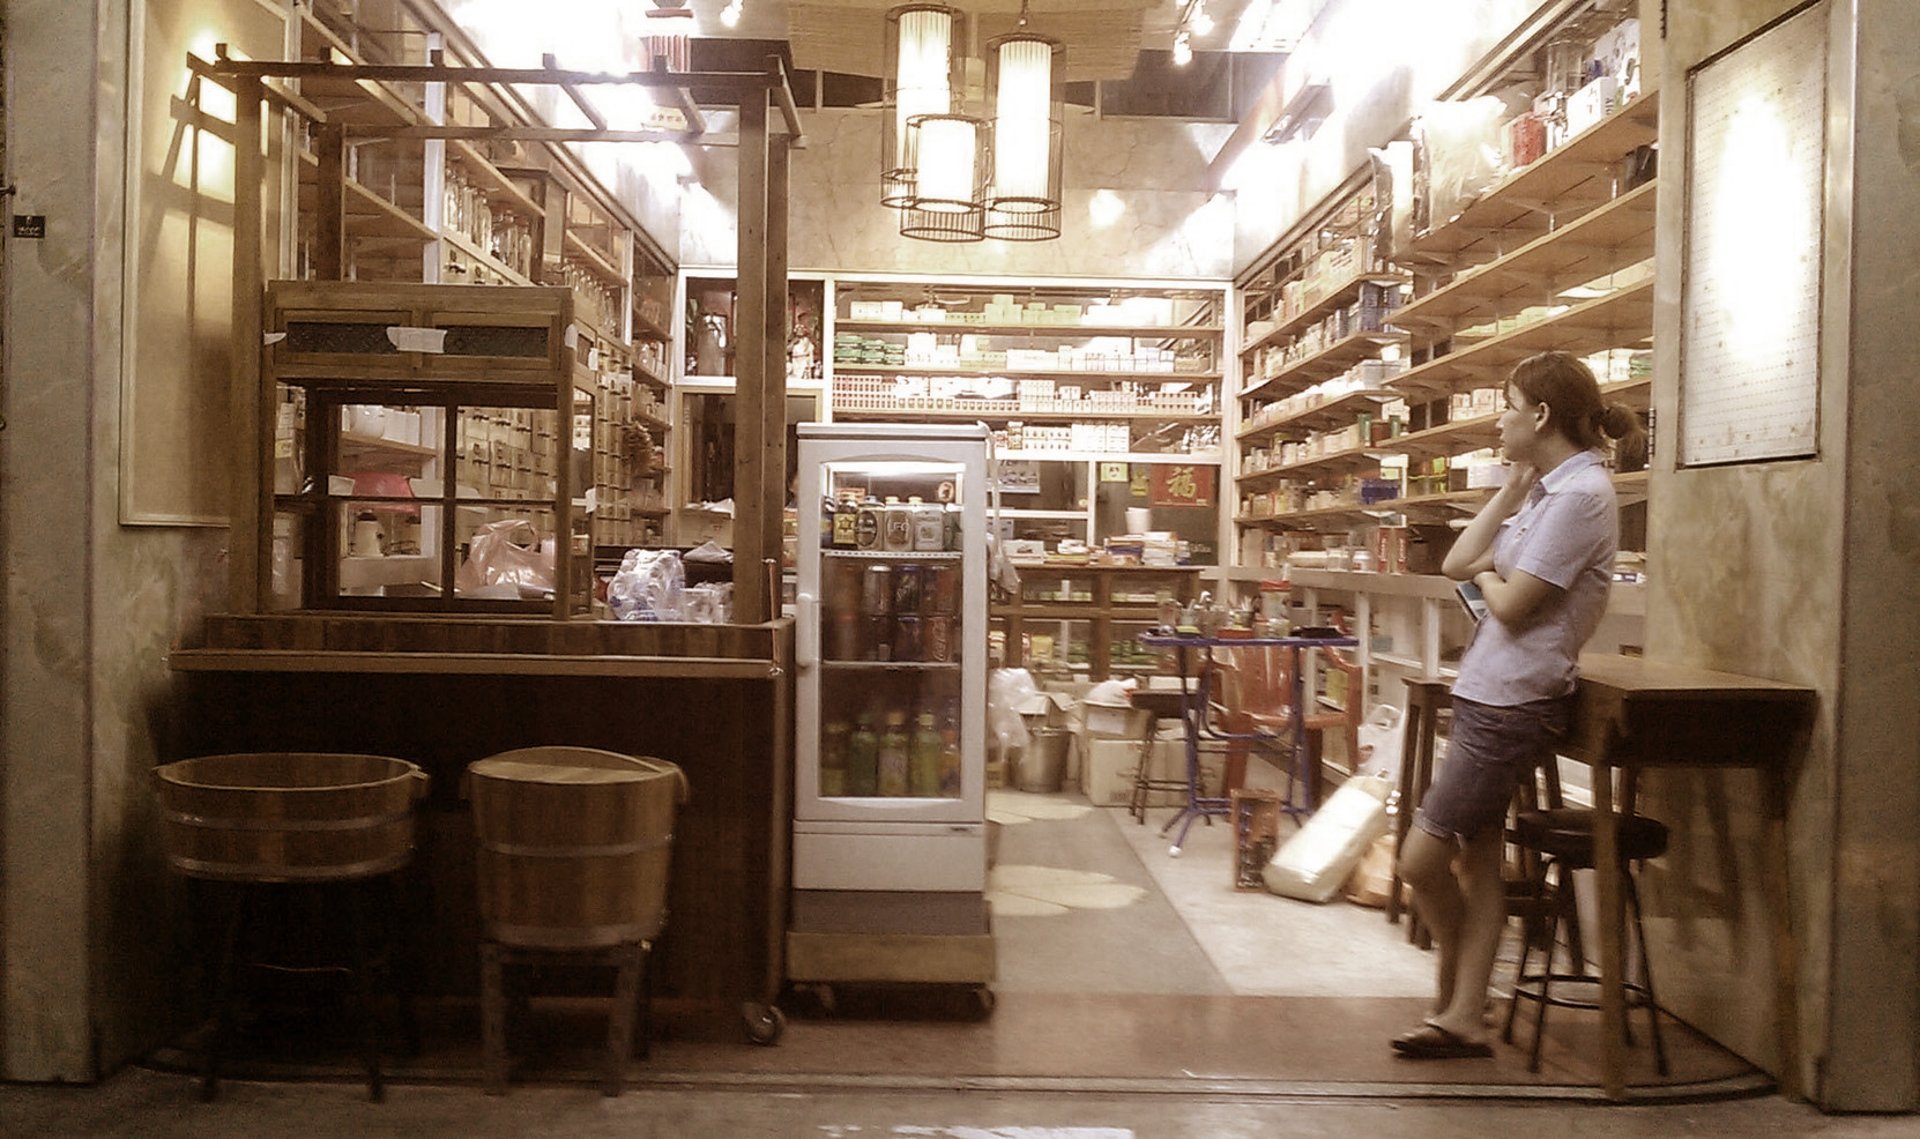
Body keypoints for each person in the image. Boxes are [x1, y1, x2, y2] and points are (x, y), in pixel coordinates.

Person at [1390, 351, 1644, 1060]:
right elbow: (1455, 564)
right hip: (1487, 689)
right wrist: (1508, 491)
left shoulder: (1582, 496)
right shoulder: (1545, 491)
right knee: (1476, 860)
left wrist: (1497, 572)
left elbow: (1514, 602)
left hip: (1512, 701)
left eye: (1506, 404)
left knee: (1418, 859)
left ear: (1540, 414)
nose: (1497, 418)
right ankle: (1464, 1010)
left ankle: (1458, 988)